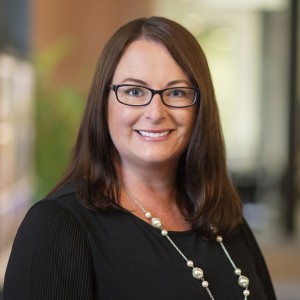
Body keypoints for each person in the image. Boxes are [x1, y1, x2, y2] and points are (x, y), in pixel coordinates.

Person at [4, 16, 276, 300]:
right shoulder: (57, 226)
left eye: (177, 92)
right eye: (134, 91)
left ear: (200, 108)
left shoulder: (223, 218)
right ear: (103, 102)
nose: (156, 112)